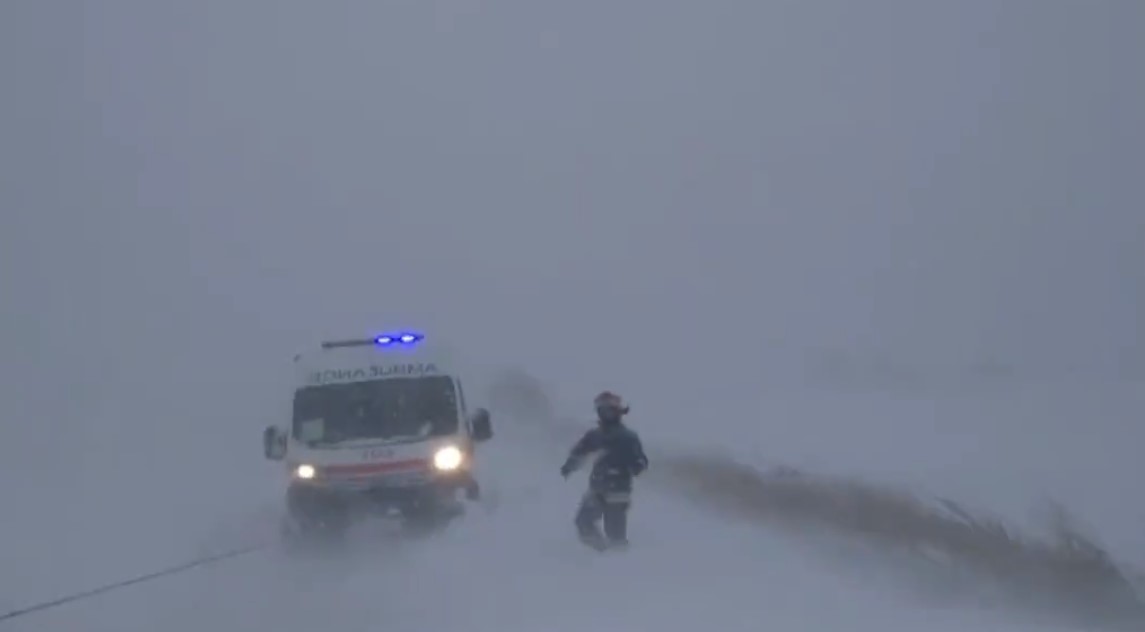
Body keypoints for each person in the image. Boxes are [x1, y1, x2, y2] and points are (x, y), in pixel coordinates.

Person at [560, 391, 649, 551]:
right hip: (600, 488)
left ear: (618, 412)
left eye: (609, 410)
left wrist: (635, 465)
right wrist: (569, 467)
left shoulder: (626, 437)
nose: (606, 414)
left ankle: (618, 563)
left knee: (613, 534)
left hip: (617, 490)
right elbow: (579, 453)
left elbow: (640, 462)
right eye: (602, 410)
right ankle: (604, 556)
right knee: (585, 522)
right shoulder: (597, 435)